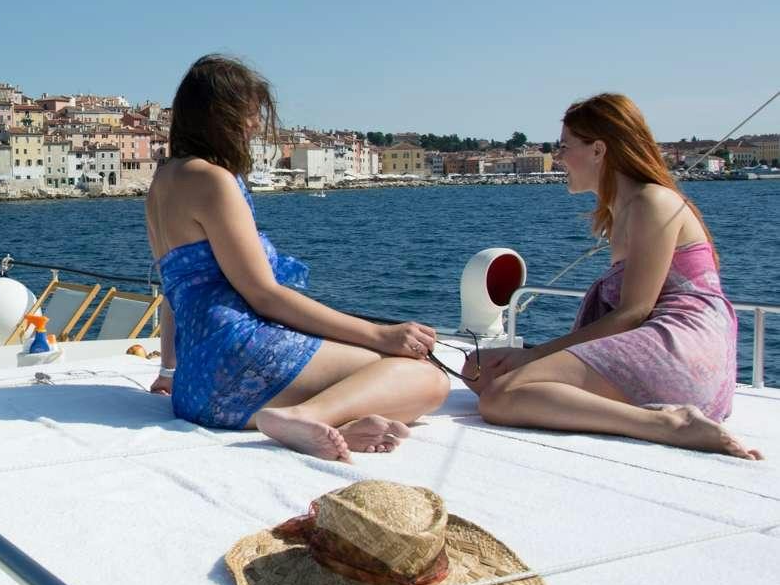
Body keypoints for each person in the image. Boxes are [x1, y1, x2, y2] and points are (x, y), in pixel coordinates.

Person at [146, 55, 449, 462]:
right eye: (248, 113)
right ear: (219, 114)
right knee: (428, 377)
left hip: (194, 389)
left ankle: (336, 424)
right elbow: (264, 295)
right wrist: (382, 334)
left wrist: (169, 371)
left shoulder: (162, 181)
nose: (253, 125)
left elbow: (175, 294)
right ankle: (305, 416)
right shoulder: (213, 180)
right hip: (240, 358)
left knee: (379, 372)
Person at [467, 93, 761, 460]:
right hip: (669, 348)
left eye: (564, 146)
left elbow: (632, 312)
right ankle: (656, 416)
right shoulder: (624, 209)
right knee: (480, 375)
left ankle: (670, 424)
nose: (558, 158)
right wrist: (527, 358)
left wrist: (532, 357)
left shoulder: (652, 202)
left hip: (681, 350)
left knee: (500, 397)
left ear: (598, 150)